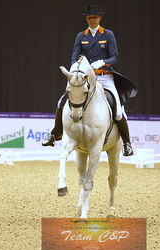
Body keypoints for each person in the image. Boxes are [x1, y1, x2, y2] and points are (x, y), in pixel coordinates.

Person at [42, 4, 134, 156]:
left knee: (117, 111)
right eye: (90, 17)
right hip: (85, 78)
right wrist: (74, 70)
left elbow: (115, 57)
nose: (92, 20)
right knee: (61, 102)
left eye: (95, 17)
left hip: (104, 77)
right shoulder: (81, 36)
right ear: (87, 19)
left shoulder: (108, 34)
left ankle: (127, 143)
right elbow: (74, 56)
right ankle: (54, 134)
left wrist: (103, 62)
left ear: (100, 18)